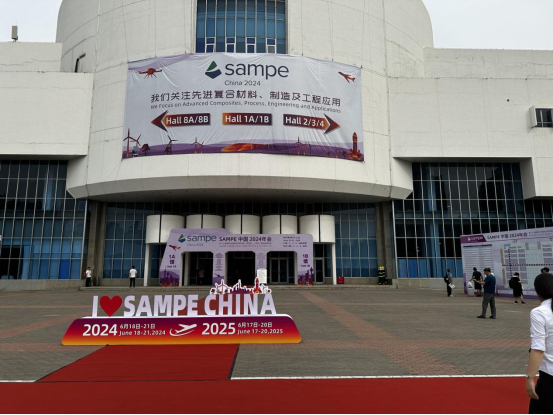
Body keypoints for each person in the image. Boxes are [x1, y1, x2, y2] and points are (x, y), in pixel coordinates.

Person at [526, 273, 553, 414]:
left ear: (538, 292)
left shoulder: (539, 312)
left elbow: (538, 349)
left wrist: (530, 378)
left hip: (549, 377)